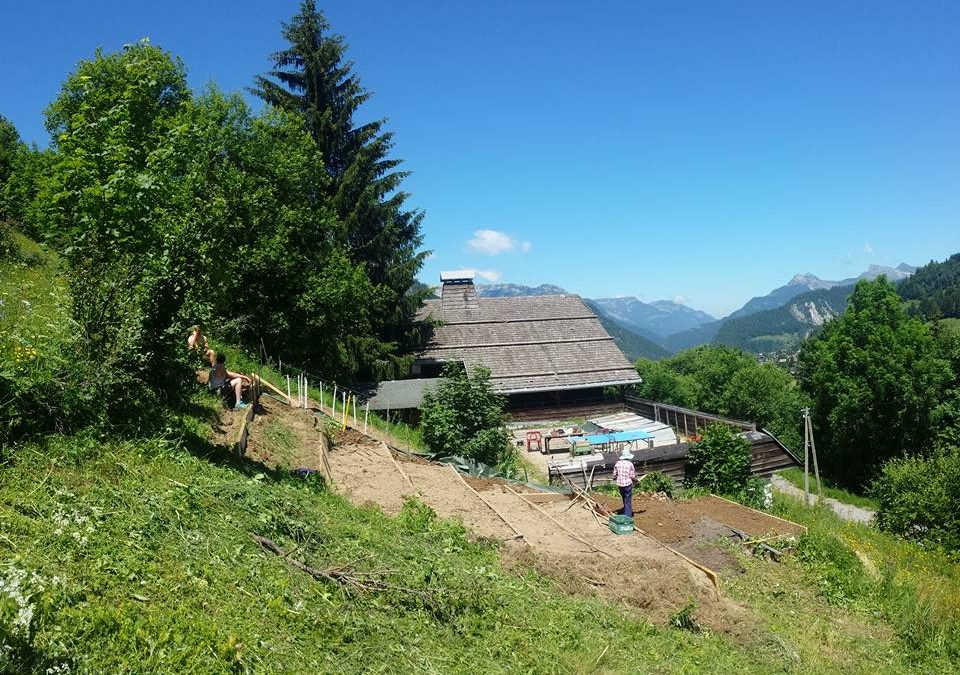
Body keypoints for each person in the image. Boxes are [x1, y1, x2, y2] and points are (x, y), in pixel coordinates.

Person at [612, 448, 637, 517]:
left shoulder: (617, 463)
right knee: (628, 499)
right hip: (627, 484)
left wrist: (615, 478)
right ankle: (628, 515)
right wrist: (635, 479)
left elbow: (614, 474)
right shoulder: (630, 464)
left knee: (624, 497)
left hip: (620, 483)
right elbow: (632, 475)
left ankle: (625, 510)